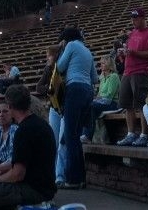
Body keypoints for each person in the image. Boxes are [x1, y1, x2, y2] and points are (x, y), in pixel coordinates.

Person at [0, 85, 56, 210]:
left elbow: (17, 174)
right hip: (44, 186)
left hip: (34, 190)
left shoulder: (23, 131)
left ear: (10, 106)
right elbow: (26, 161)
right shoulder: (41, 125)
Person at [55, 26, 98, 189]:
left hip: (74, 89)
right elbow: (94, 78)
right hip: (88, 92)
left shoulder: (71, 46)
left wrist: (61, 50)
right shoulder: (87, 50)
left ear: (66, 39)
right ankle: (80, 177)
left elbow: (59, 67)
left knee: (70, 136)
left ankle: (73, 179)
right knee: (75, 136)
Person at [116, 8, 148, 148]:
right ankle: (130, 134)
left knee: (141, 105)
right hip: (128, 72)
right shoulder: (132, 33)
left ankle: (144, 135)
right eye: (132, 18)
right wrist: (122, 54)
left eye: (136, 18)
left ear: (143, 18)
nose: (133, 21)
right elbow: (130, 53)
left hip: (141, 72)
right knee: (127, 105)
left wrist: (134, 52)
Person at [35, 44, 67, 186]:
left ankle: (60, 175)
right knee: (54, 141)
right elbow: (39, 87)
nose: (46, 58)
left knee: (62, 142)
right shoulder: (48, 69)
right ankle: (54, 173)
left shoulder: (63, 67)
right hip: (54, 107)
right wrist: (49, 89)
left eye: (48, 55)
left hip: (65, 107)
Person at [80, 56, 121, 143]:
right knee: (86, 105)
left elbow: (109, 95)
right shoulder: (102, 77)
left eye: (103, 63)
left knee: (92, 106)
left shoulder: (114, 76)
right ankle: (84, 135)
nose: (101, 65)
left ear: (109, 65)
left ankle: (87, 136)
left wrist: (99, 97)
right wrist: (97, 98)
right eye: (101, 63)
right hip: (103, 102)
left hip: (112, 103)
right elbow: (100, 94)